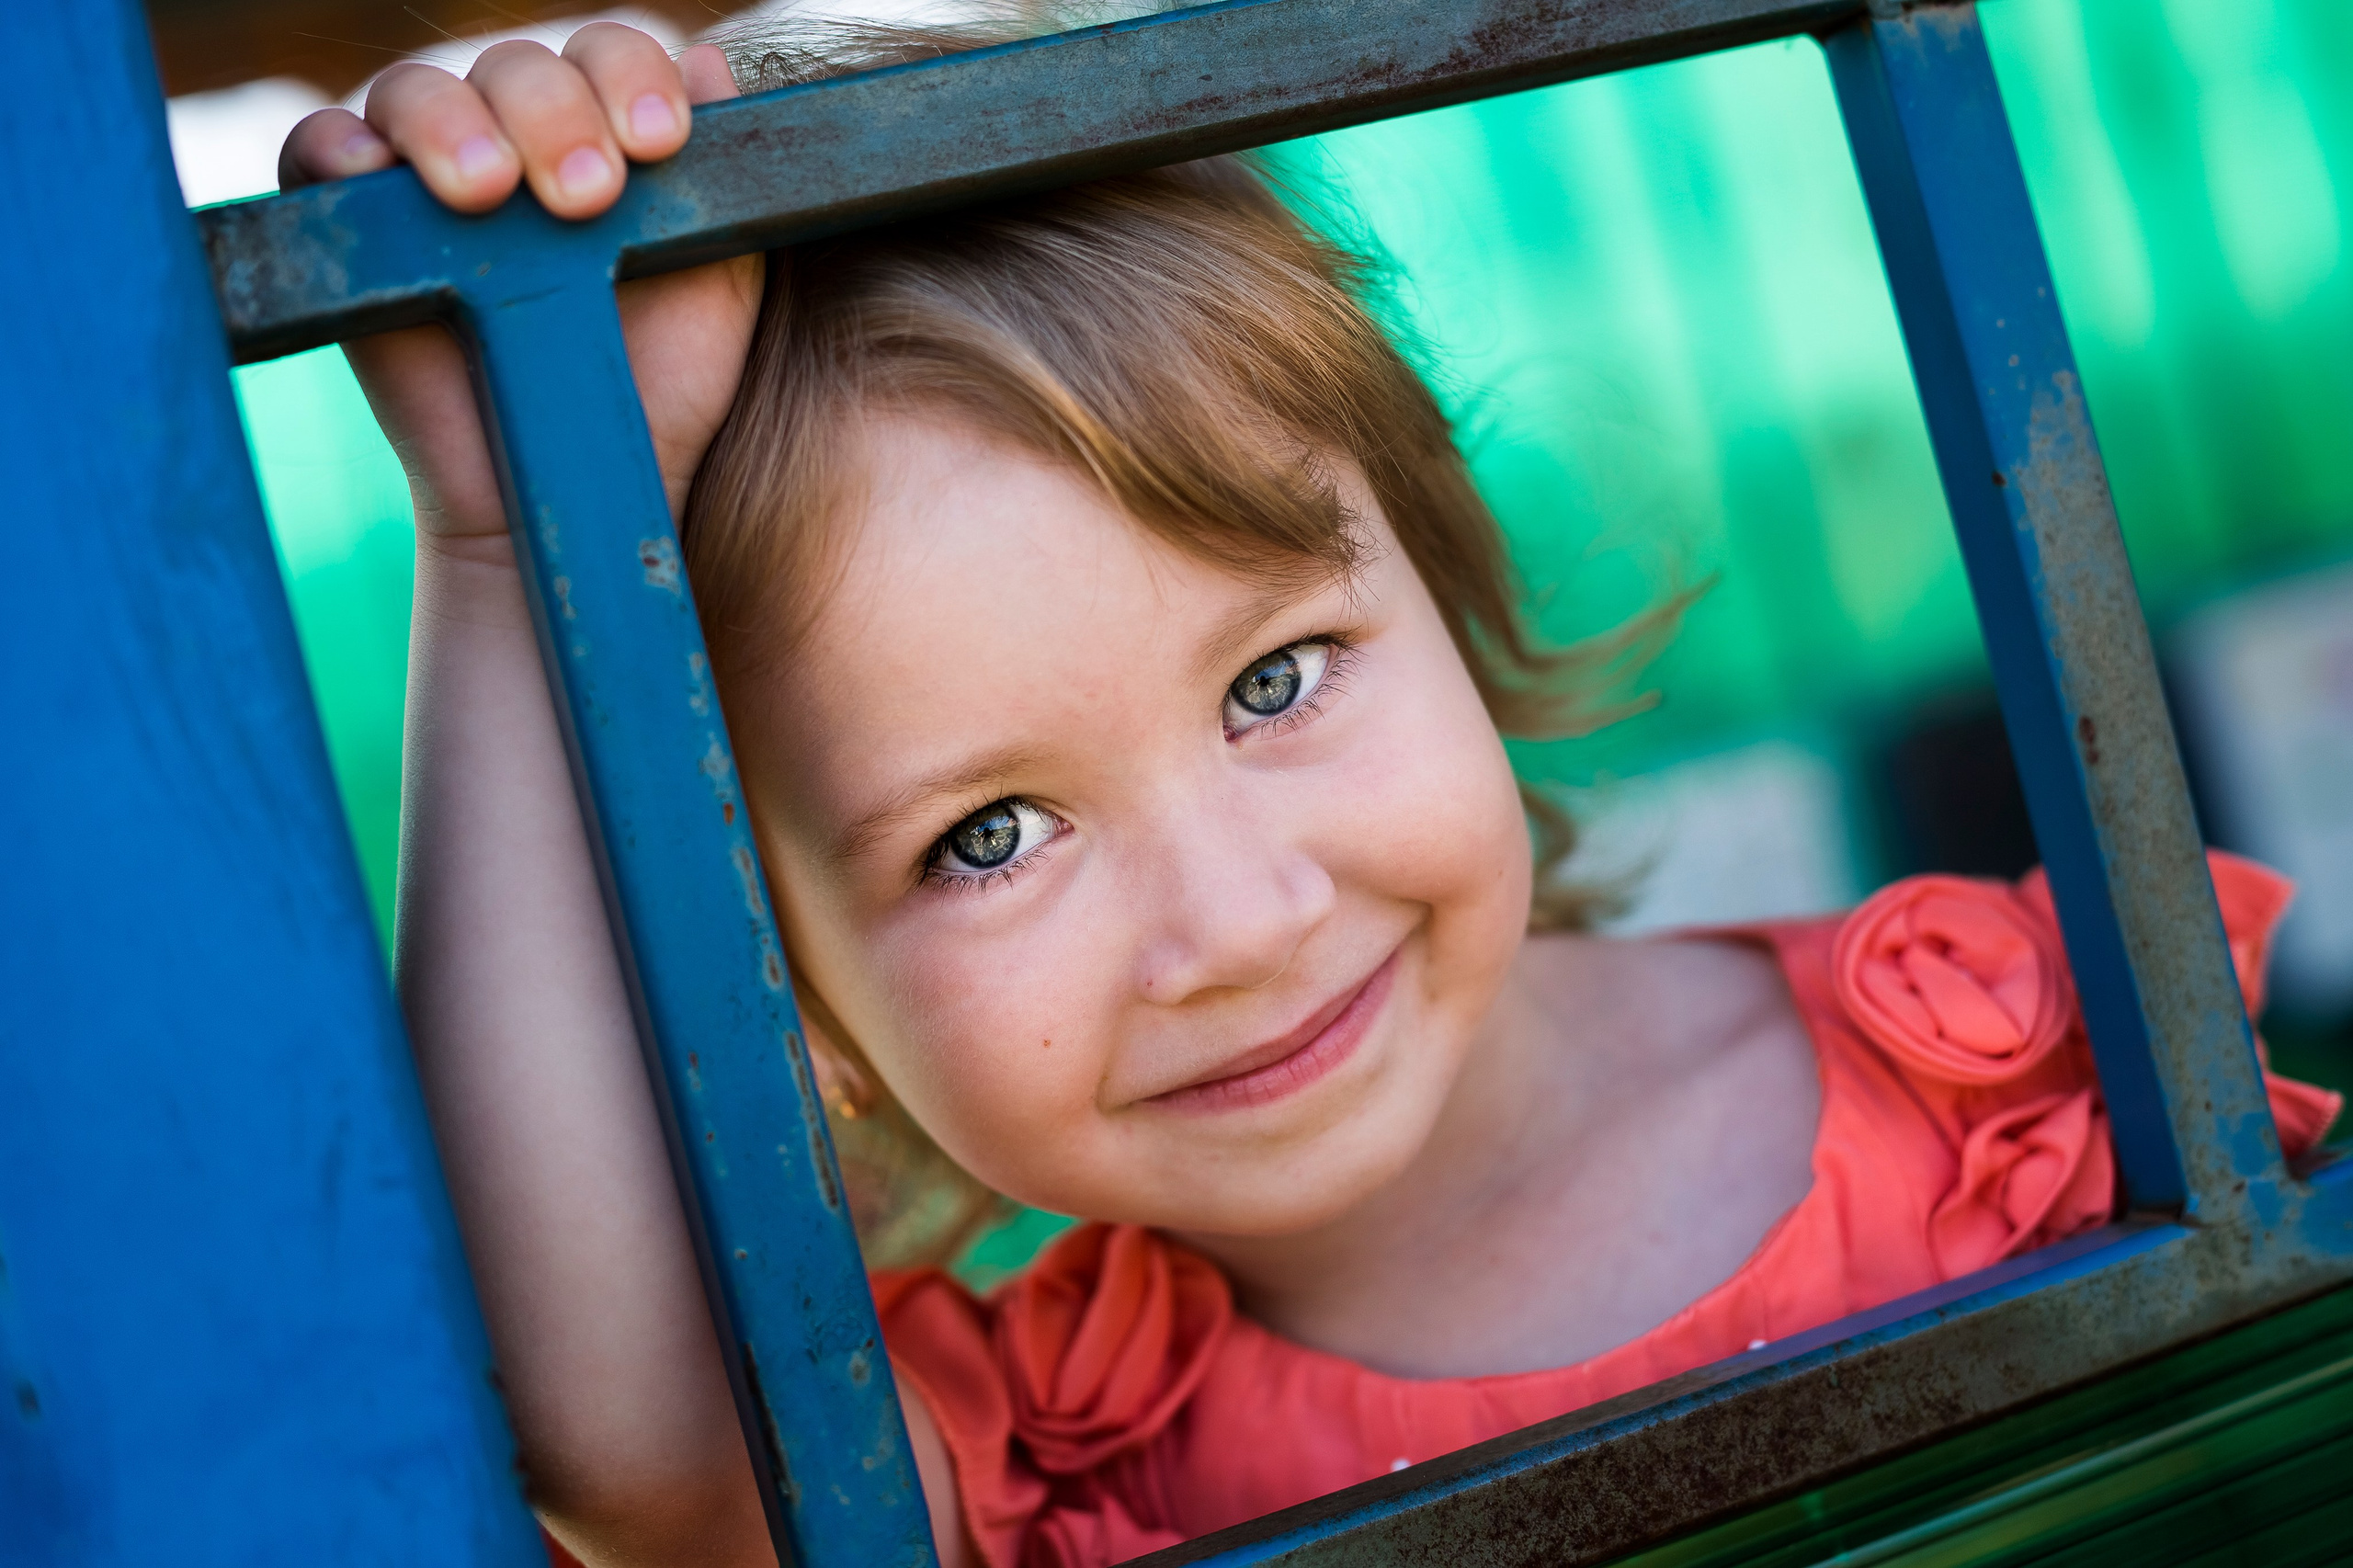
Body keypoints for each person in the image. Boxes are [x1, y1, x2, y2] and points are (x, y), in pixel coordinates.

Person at [278, 16, 2342, 1568]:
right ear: (787, 995)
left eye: (1273, 677)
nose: (1239, 918)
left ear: (1439, 589)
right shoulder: (1033, 1446)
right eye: (984, 836)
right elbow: (630, 1449)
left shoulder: (2008, 1068)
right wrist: (497, 543)